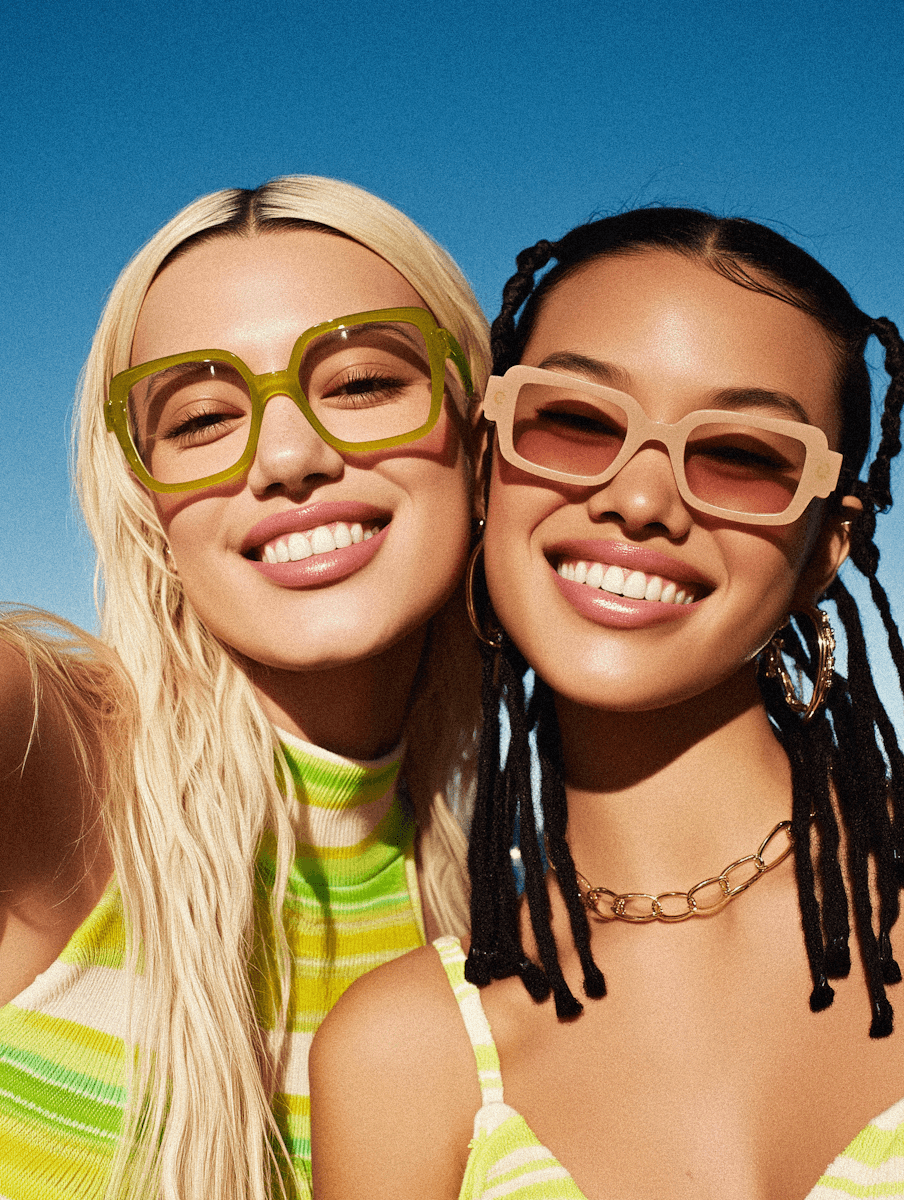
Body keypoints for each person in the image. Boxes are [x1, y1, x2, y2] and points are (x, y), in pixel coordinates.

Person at [310, 208, 904, 1200]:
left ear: (823, 553)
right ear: (488, 466)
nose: (639, 498)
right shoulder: (406, 1054)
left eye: (741, 454)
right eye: (577, 422)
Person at [0, 176, 490, 1200]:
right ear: (146, 497)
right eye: (201, 418)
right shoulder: (57, 760)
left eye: (361, 382)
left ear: (475, 428)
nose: (290, 457)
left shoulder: (485, 908)